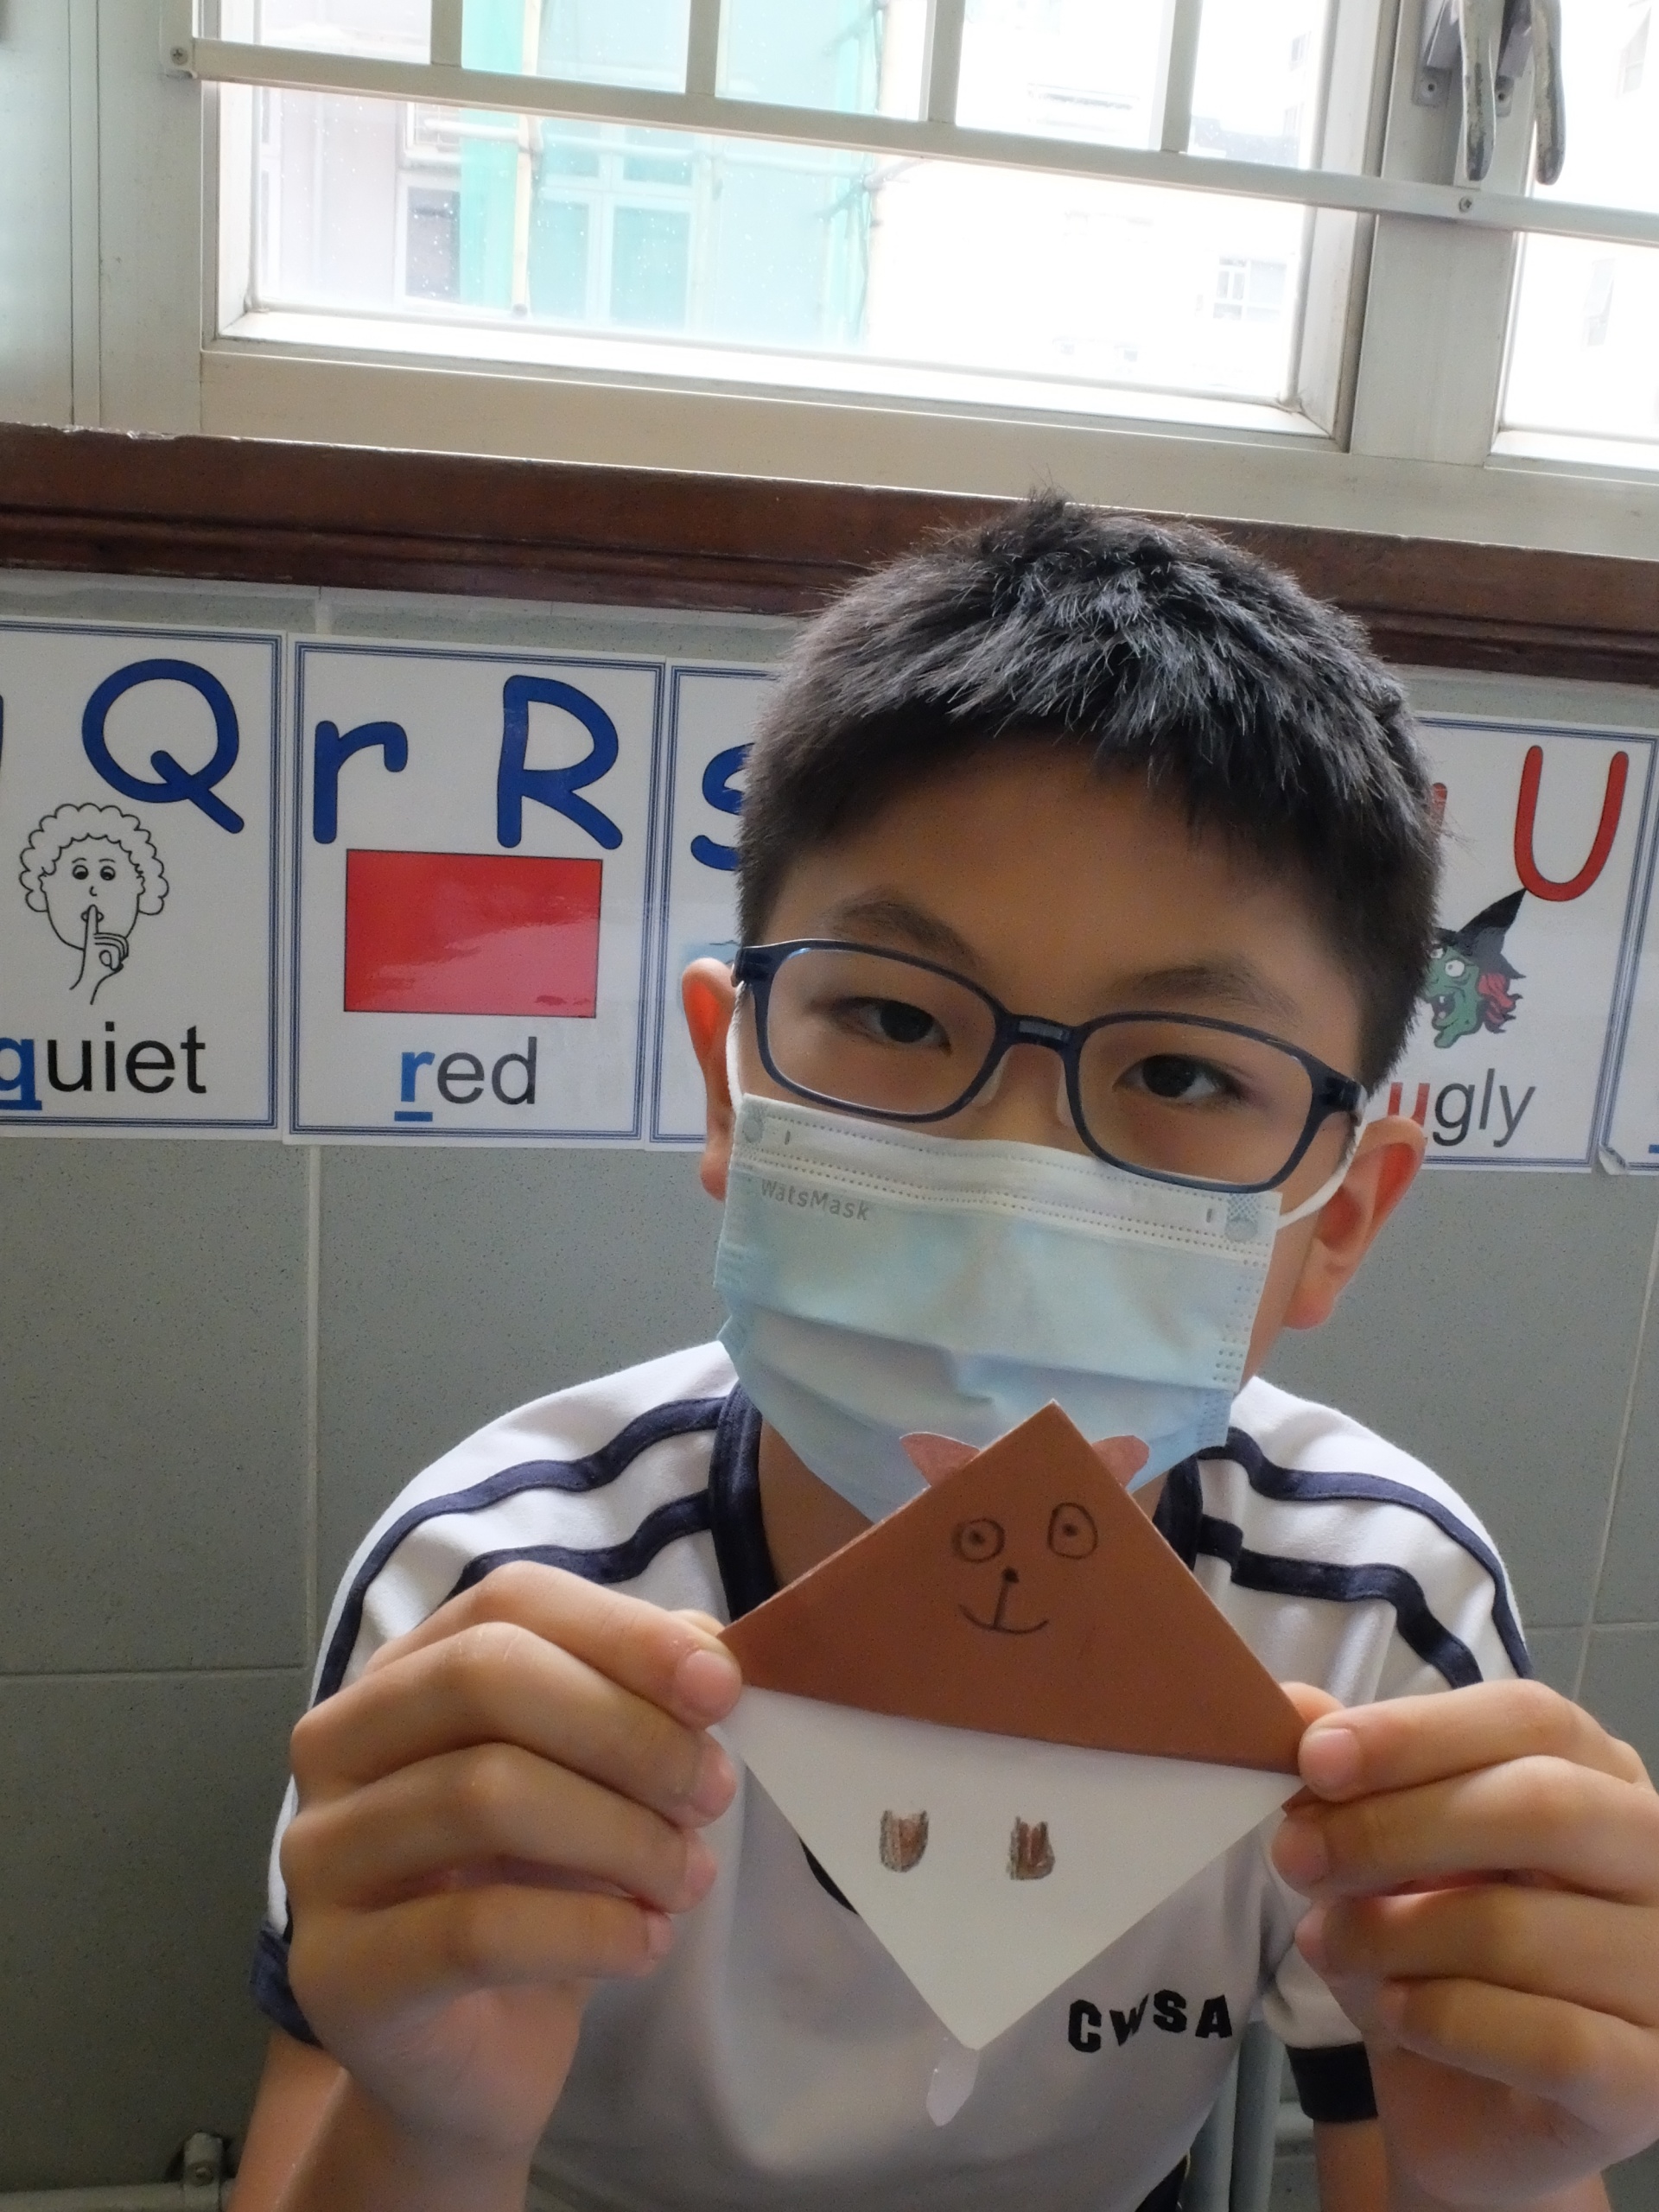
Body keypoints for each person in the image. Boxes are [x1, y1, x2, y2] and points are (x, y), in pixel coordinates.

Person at [233, 500, 1659, 2212]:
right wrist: (437, 2130)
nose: (1010, 1183)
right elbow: (310, 2144)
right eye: (899, 1017)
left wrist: (1496, 2183)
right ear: (733, 1084)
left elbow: (1449, 2145)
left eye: (1185, 1073)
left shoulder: (1369, 1614)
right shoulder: (497, 1583)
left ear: (1340, 1215)